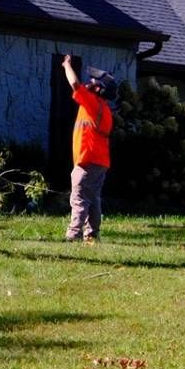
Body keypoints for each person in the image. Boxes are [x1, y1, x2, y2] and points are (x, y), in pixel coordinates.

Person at [62, 55, 117, 243]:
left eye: (93, 81)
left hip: (88, 161)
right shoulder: (104, 109)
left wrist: (66, 66)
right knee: (93, 198)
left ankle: (73, 234)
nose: (89, 82)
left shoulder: (93, 104)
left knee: (79, 198)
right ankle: (92, 233)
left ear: (98, 89)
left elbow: (75, 85)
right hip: (100, 161)